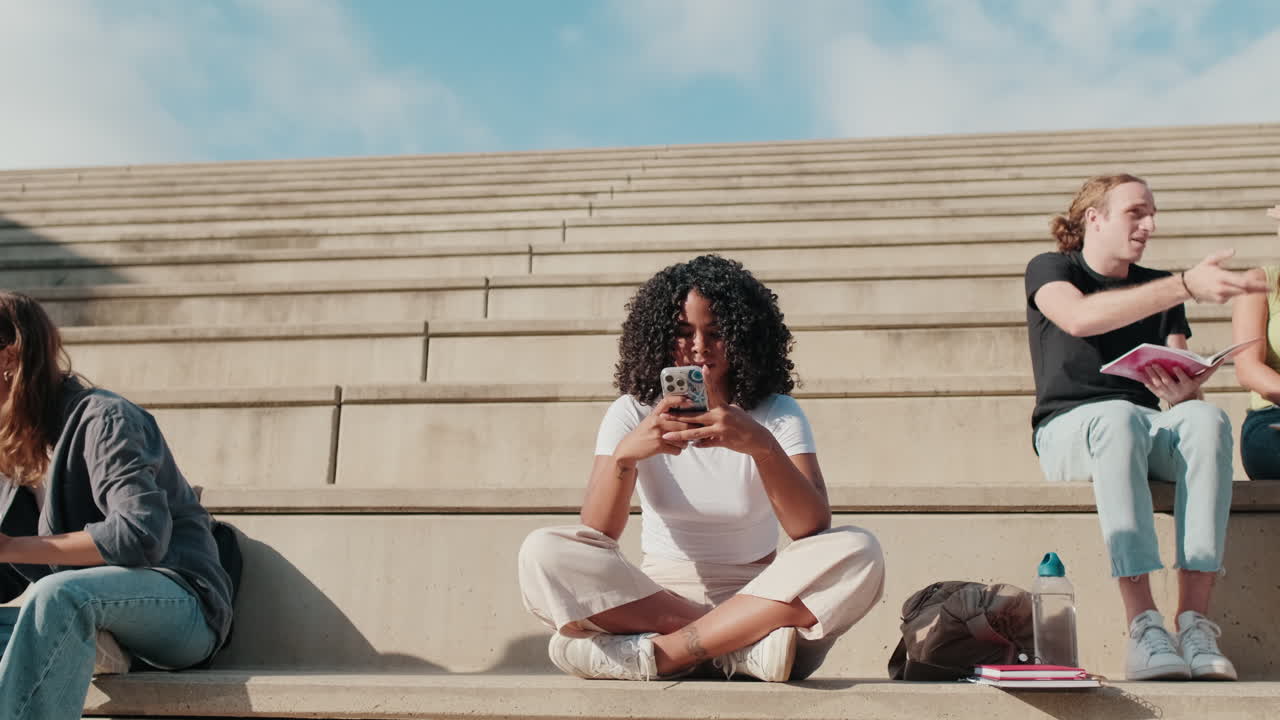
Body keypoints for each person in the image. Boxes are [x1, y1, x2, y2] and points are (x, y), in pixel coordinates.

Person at [518, 255, 884, 682]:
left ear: (743, 337)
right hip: (663, 603)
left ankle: (663, 654)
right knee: (542, 552)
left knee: (859, 550)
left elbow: (811, 527)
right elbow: (598, 532)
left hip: (763, 596)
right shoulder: (630, 412)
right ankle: (737, 649)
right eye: (682, 332)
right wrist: (625, 457)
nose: (698, 346)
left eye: (715, 333)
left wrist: (762, 448)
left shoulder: (777, 413)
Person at [1024, 175, 1266, 681]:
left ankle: (1195, 623)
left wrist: (1186, 392)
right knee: (1118, 416)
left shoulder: (1159, 289)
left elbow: (1182, 379)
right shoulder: (1051, 269)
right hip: (1071, 432)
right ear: (1095, 218)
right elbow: (1078, 318)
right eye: (1137, 213)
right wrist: (1182, 284)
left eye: (1153, 214)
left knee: (1205, 420)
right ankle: (1143, 625)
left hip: (1145, 428)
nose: (1149, 225)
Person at [0, 291, 234, 719]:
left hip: (180, 607)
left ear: (8, 359)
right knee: (54, 601)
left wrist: (9, 545)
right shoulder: (19, 448)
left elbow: (139, 535)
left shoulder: (104, 419)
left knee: (59, 597)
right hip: (91, 618)